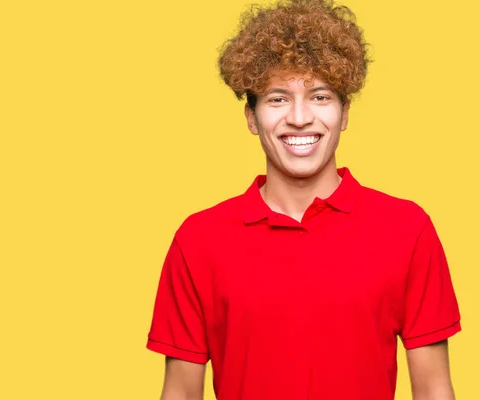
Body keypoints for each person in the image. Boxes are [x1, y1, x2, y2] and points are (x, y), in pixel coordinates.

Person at [146, 0, 462, 398]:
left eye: (320, 97)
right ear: (251, 116)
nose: (299, 117)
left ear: (345, 113)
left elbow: (434, 389)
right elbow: (180, 393)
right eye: (278, 98)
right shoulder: (198, 239)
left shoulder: (406, 228)